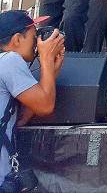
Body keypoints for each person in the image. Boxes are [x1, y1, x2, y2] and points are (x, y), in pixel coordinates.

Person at [0, 11, 64, 179]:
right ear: (17, 39)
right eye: (34, 37)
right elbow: (45, 106)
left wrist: (51, 72)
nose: (37, 43)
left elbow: (20, 119)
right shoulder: (9, 60)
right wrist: (46, 60)